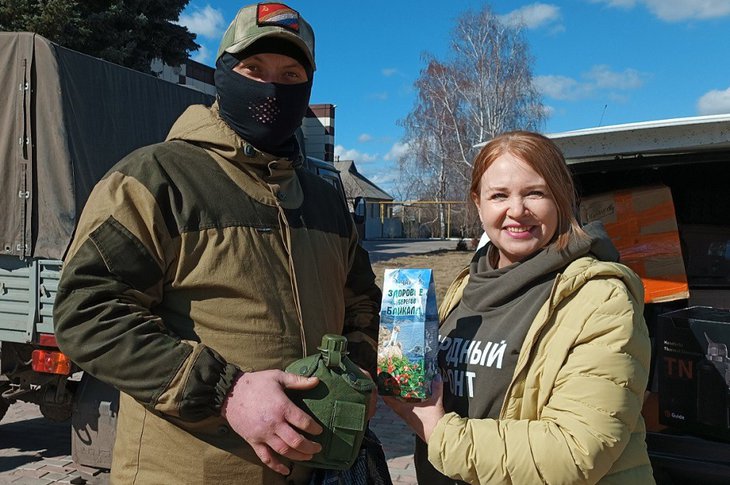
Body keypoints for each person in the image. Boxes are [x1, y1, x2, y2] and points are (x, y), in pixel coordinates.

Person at [53, 3, 380, 484]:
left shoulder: (324, 199)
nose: (272, 87)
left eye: (291, 74)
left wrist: (360, 372)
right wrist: (228, 393)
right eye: (255, 69)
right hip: (189, 471)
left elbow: (361, 302)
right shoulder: (156, 178)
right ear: (223, 74)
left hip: (313, 470)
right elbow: (87, 312)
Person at [385, 131, 654, 484]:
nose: (516, 210)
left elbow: (575, 452)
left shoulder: (600, 298)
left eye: (535, 193)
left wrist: (438, 433)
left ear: (562, 198)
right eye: (499, 195)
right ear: (478, 203)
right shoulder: (469, 283)